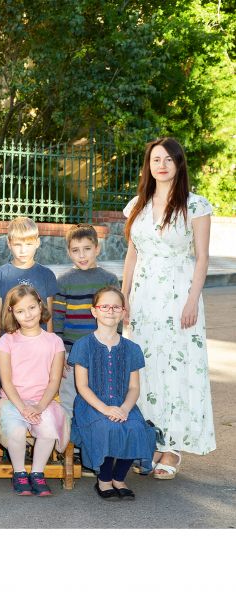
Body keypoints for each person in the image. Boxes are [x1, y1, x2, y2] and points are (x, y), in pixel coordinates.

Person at [122, 137, 215, 478]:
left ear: (179, 164)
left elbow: (202, 258)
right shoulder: (137, 205)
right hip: (144, 298)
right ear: (148, 166)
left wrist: (192, 300)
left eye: (168, 159)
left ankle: (172, 447)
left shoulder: (195, 205)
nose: (161, 165)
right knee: (146, 367)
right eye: (155, 159)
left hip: (178, 297)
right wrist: (124, 296)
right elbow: (132, 255)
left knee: (177, 368)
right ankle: (152, 440)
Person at [69, 287, 155, 500]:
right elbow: (82, 386)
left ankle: (119, 477)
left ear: (123, 312)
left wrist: (124, 408)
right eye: (104, 306)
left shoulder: (132, 348)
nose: (110, 311)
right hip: (92, 404)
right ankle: (105, 479)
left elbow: (134, 387)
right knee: (107, 427)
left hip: (123, 403)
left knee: (136, 428)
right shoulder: (83, 345)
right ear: (94, 311)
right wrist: (105, 409)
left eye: (116, 307)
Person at [0, 285, 68, 497]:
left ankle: (37, 473)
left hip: (43, 400)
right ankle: (19, 473)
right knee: (16, 430)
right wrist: (23, 407)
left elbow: (54, 381)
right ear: (12, 313)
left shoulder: (54, 341)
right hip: (12, 400)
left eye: (32, 308)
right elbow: (6, 381)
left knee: (47, 428)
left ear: (40, 305)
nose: (27, 315)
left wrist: (39, 406)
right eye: (20, 311)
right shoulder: (7, 341)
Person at [52, 224, 118, 418]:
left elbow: (115, 316)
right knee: (69, 400)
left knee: (100, 399)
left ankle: (93, 435)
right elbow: (57, 319)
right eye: (75, 250)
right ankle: (70, 435)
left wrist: (115, 347)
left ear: (97, 248)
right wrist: (60, 353)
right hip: (71, 353)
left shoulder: (109, 280)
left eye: (87, 249)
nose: (81, 255)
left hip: (101, 351)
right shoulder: (63, 281)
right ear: (68, 252)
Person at [0, 216, 59, 340]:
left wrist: (51, 344)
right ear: (9, 243)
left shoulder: (47, 275)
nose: (23, 250)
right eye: (17, 244)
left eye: (29, 244)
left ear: (37, 243)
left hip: (38, 342)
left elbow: (49, 317)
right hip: (9, 344)